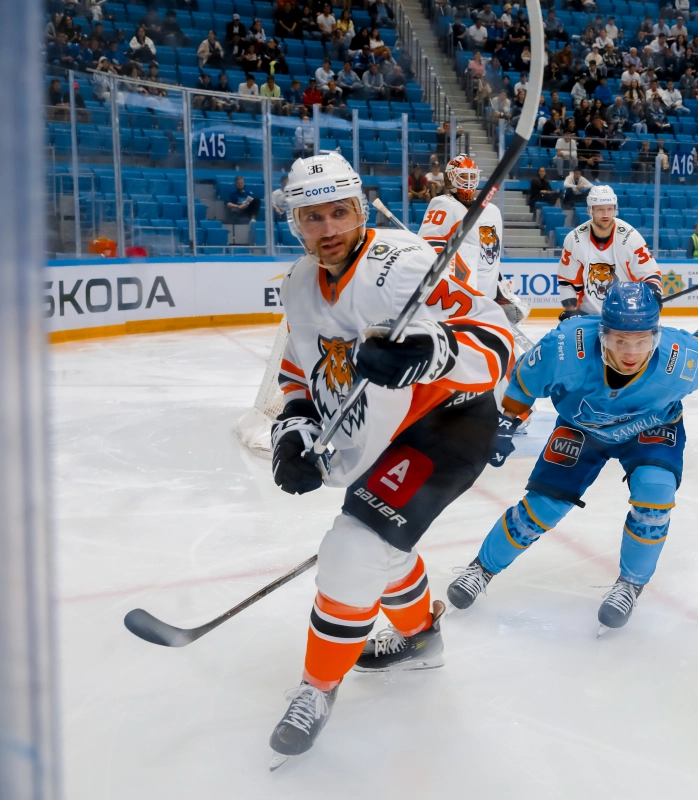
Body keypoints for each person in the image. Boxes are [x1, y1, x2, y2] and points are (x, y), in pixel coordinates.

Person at [266, 152, 514, 766]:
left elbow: (498, 340)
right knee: (388, 544)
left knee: (356, 547)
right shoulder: (298, 282)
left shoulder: (404, 264)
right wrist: (292, 432)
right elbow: (299, 369)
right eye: (311, 216)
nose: (327, 229)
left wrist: (428, 357)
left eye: (339, 213)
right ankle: (420, 637)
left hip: (446, 422)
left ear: (359, 207)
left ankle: (317, 686)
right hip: (377, 431)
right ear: (295, 222)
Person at [443, 281, 698, 632]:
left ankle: (630, 584)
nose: (631, 352)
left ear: (657, 334)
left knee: (655, 499)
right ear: (603, 333)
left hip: (649, 429)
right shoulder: (564, 346)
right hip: (582, 428)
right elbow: (523, 385)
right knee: (543, 507)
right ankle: (482, 569)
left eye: (641, 341)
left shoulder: (684, 356)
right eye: (620, 340)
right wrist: (505, 423)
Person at [554, 185, 661, 317]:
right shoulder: (574, 239)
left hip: (625, 316)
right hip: (588, 315)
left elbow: (650, 275)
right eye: (600, 210)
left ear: (615, 210)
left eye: (609, 209)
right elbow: (567, 282)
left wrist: (654, 296)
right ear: (590, 211)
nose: (605, 214)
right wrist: (570, 312)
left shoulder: (630, 238)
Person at [417, 155, 508, 307]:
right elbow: (427, 246)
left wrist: (500, 287)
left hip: (488, 300)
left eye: (472, 176)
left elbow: (490, 259)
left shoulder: (493, 211)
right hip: (459, 299)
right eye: (463, 176)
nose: (469, 181)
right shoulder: (444, 204)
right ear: (450, 179)